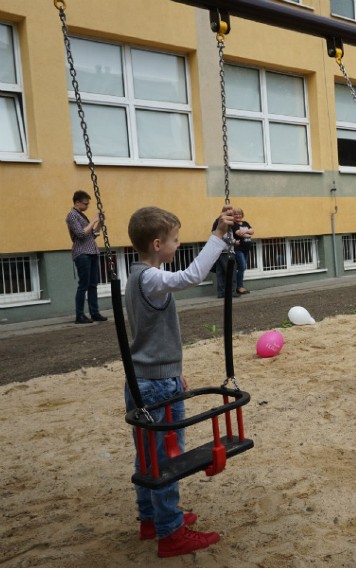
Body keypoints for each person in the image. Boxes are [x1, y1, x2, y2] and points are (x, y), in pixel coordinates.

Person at [124, 205, 234, 557]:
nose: (177, 243)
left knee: (147, 457)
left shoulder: (136, 275)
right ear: (157, 244)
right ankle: (170, 533)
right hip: (155, 386)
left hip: (146, 378)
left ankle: (151, 519)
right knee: (165, 460)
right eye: (174, 240)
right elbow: (191, 276)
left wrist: (172, 369)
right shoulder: (152, 279)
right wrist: (217, 237)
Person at [65, 190, 107, 324]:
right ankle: (80, 315)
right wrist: (94, 220)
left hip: (92, 252)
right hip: (82, 253)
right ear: (77, 202)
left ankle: (94, 312)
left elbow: (92, 235)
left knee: (93, 284)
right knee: (83, 285)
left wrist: (99, 224)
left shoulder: (81, 215)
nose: (87, 206)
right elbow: (81, 234)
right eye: (85, 204)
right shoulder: (72, 215)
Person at [212, 216, 238, 299]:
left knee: (220, 274)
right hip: (227, 252)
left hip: (218, 252)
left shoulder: (215, 231)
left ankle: (221, 292)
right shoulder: (226, 230)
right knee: (231, 273)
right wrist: (235, 242)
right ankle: (232, 292)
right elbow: (228, 239)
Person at [232, 208, 254, 295]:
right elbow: (239, 234)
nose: (238, 216)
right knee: (242, 267)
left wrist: (245, 232)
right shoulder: (233, 225)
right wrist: (247, 232)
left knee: (242, 267)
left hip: (246, 249)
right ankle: (239, 287)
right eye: (236, 214)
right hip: (238, 250)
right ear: (233, 216)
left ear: (242, 215)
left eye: (239, 214)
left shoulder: (245, 223)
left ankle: (240, 286)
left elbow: (252, 231)